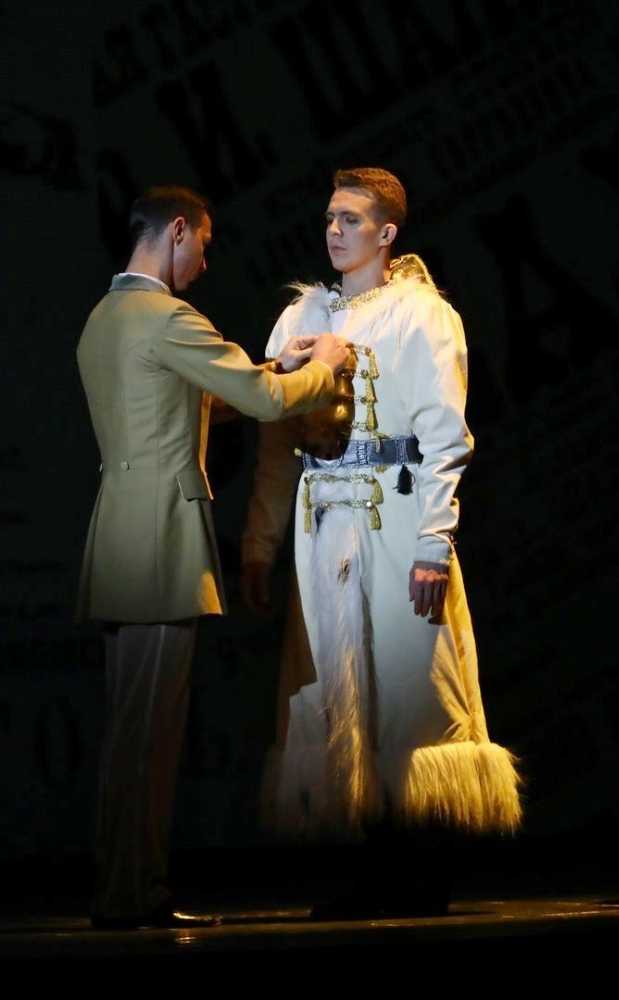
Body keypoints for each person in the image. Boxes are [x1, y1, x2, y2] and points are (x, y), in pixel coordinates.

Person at [240, 167, 522, 919]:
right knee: (340, 687)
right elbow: (274, 446)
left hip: (393, 520)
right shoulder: (300, 317)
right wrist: (260, 542)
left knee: (405, 685)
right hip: (322, 523)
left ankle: (419, 867)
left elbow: (444, 435)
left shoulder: (421, 314)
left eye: (352, 220)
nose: (335, 231)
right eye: (330, 218)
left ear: (387, 232)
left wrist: (434, 542)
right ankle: (374, 862)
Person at [75, 184, 350, 930]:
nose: (203, 261)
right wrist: (326, 364)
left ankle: (126, 888)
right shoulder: (167, 316)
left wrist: (275, 363)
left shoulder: (107, 316)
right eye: (202, 243)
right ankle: (133, 895)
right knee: (150, 731)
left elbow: (195, 397)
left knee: (133, 729)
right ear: (177, 230)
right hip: (160, 538)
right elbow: (264, 405)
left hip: (121, 534)